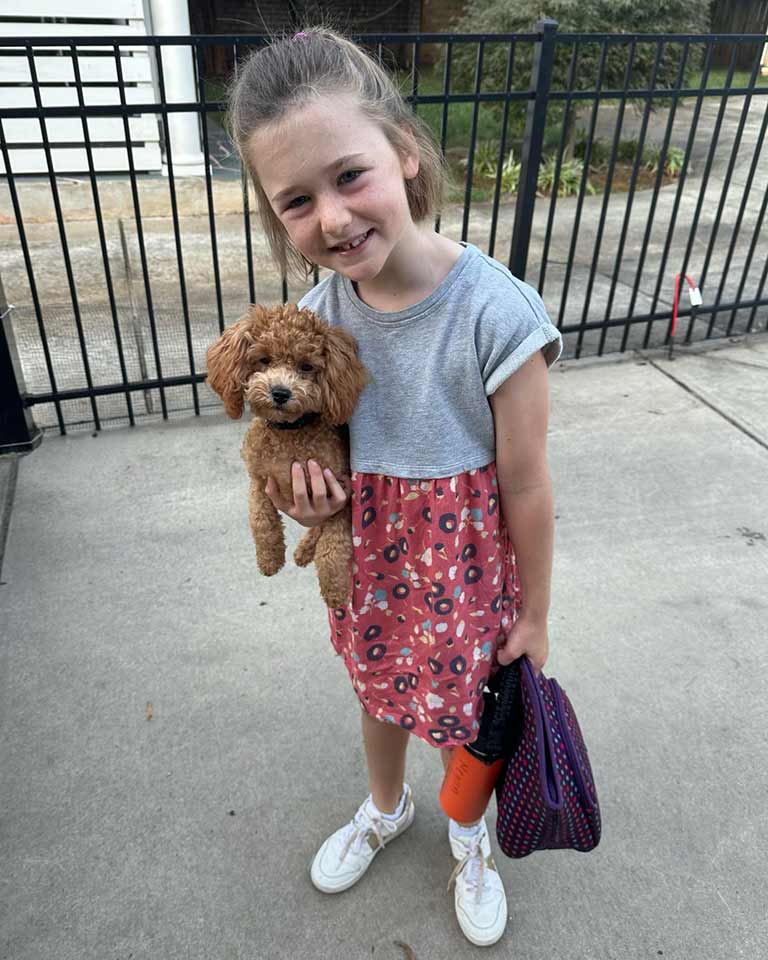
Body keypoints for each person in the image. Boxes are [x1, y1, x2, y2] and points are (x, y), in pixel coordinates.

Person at [227, 24, 563, 948]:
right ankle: (387, 809)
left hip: (464, 570)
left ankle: (468, 831)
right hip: (370, 561)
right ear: (274, 215)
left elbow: (529, 488)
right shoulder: (314, 319)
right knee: (378, 693)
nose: (331, 218)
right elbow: (299, 452)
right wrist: (301, 504)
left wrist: (534, 615)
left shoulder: (496, 312)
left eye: (348, 175)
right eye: (296, 200)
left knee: (465, 714)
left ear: (405, 155)